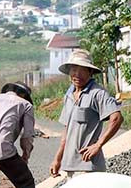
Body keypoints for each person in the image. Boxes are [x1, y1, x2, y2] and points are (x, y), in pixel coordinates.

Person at [50, 49, 123, 179]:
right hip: (70, 165)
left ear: (90, 72)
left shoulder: (97, 93)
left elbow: (116, 118)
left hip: (88, 167)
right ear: (69, 71)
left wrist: (98, 145)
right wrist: (58, 159)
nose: (77, 74)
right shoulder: (69, 95)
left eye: (82, 70)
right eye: (74, 69)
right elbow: (67, 131)